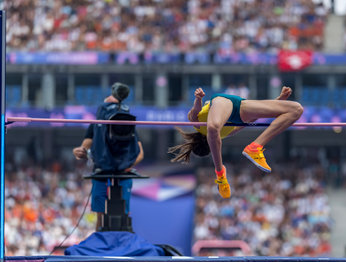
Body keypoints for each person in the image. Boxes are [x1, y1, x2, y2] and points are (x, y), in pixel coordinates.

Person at [168, 86, 303, 198]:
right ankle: (255, 146)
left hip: (226, 103)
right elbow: (251, 119)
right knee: (296, 109)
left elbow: (195, 112)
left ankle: (221, 173)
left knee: (213, 128)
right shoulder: (225, 132)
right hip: (240, 108)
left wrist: (198, 99)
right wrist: (277, 104)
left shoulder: (199, 126)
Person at [73, 83, 144, 230]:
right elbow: (87, 141)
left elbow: (140, 153)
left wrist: (125, 165)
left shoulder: (125, 121)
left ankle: (122, 240)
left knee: (123, 212)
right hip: (101, 171)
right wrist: (82, 150)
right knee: (100, 214)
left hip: (123, 176)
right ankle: (100, 240)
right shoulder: (98, 121)